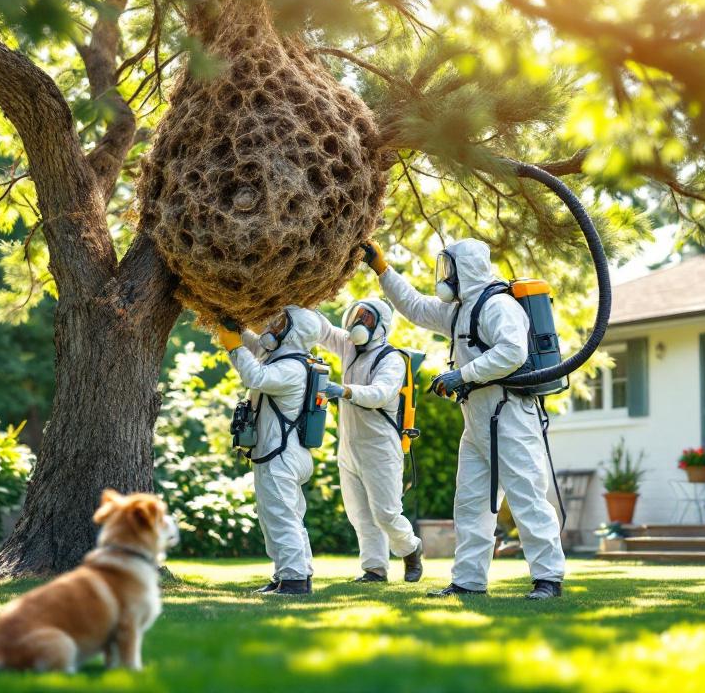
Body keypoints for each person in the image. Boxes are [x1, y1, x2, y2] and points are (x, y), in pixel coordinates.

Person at [360, 238, 565, 600]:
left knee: (527, 499)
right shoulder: (459, 311)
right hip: (478, 420)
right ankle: (469, 581)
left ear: (465, 268)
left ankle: (548, 579)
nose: (445, 276)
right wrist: (382, 268)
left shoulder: (498, 305)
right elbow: (414, 307)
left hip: (510, 416)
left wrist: (462, 375)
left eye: (449, 268)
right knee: (470, 504)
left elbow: (513, 352)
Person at [215, 306, 325, 596]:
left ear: (294, 333)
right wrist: (238, 331)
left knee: (281, 518)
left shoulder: (290, 368)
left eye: (281, 323)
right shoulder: (290, 360)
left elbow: (256, 377)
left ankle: (294, 581)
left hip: (281, 455)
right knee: (284, 517)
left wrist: (234, 347)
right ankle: (290, 574)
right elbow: (258, 349)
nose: (272, 327)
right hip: (287, 453)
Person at [316, 299, 424, 584]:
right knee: (360, 514)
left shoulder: (391, 359)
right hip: (349, 446)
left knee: (386, 514)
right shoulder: (350, 348)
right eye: (356, 316)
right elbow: (323, 331)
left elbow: (380, 393)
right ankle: (374, 569)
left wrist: (344, 390)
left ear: (381, 326)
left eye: (366, 318)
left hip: (380, 448)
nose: (358, 323)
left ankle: (411, 548)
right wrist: (306, 303)